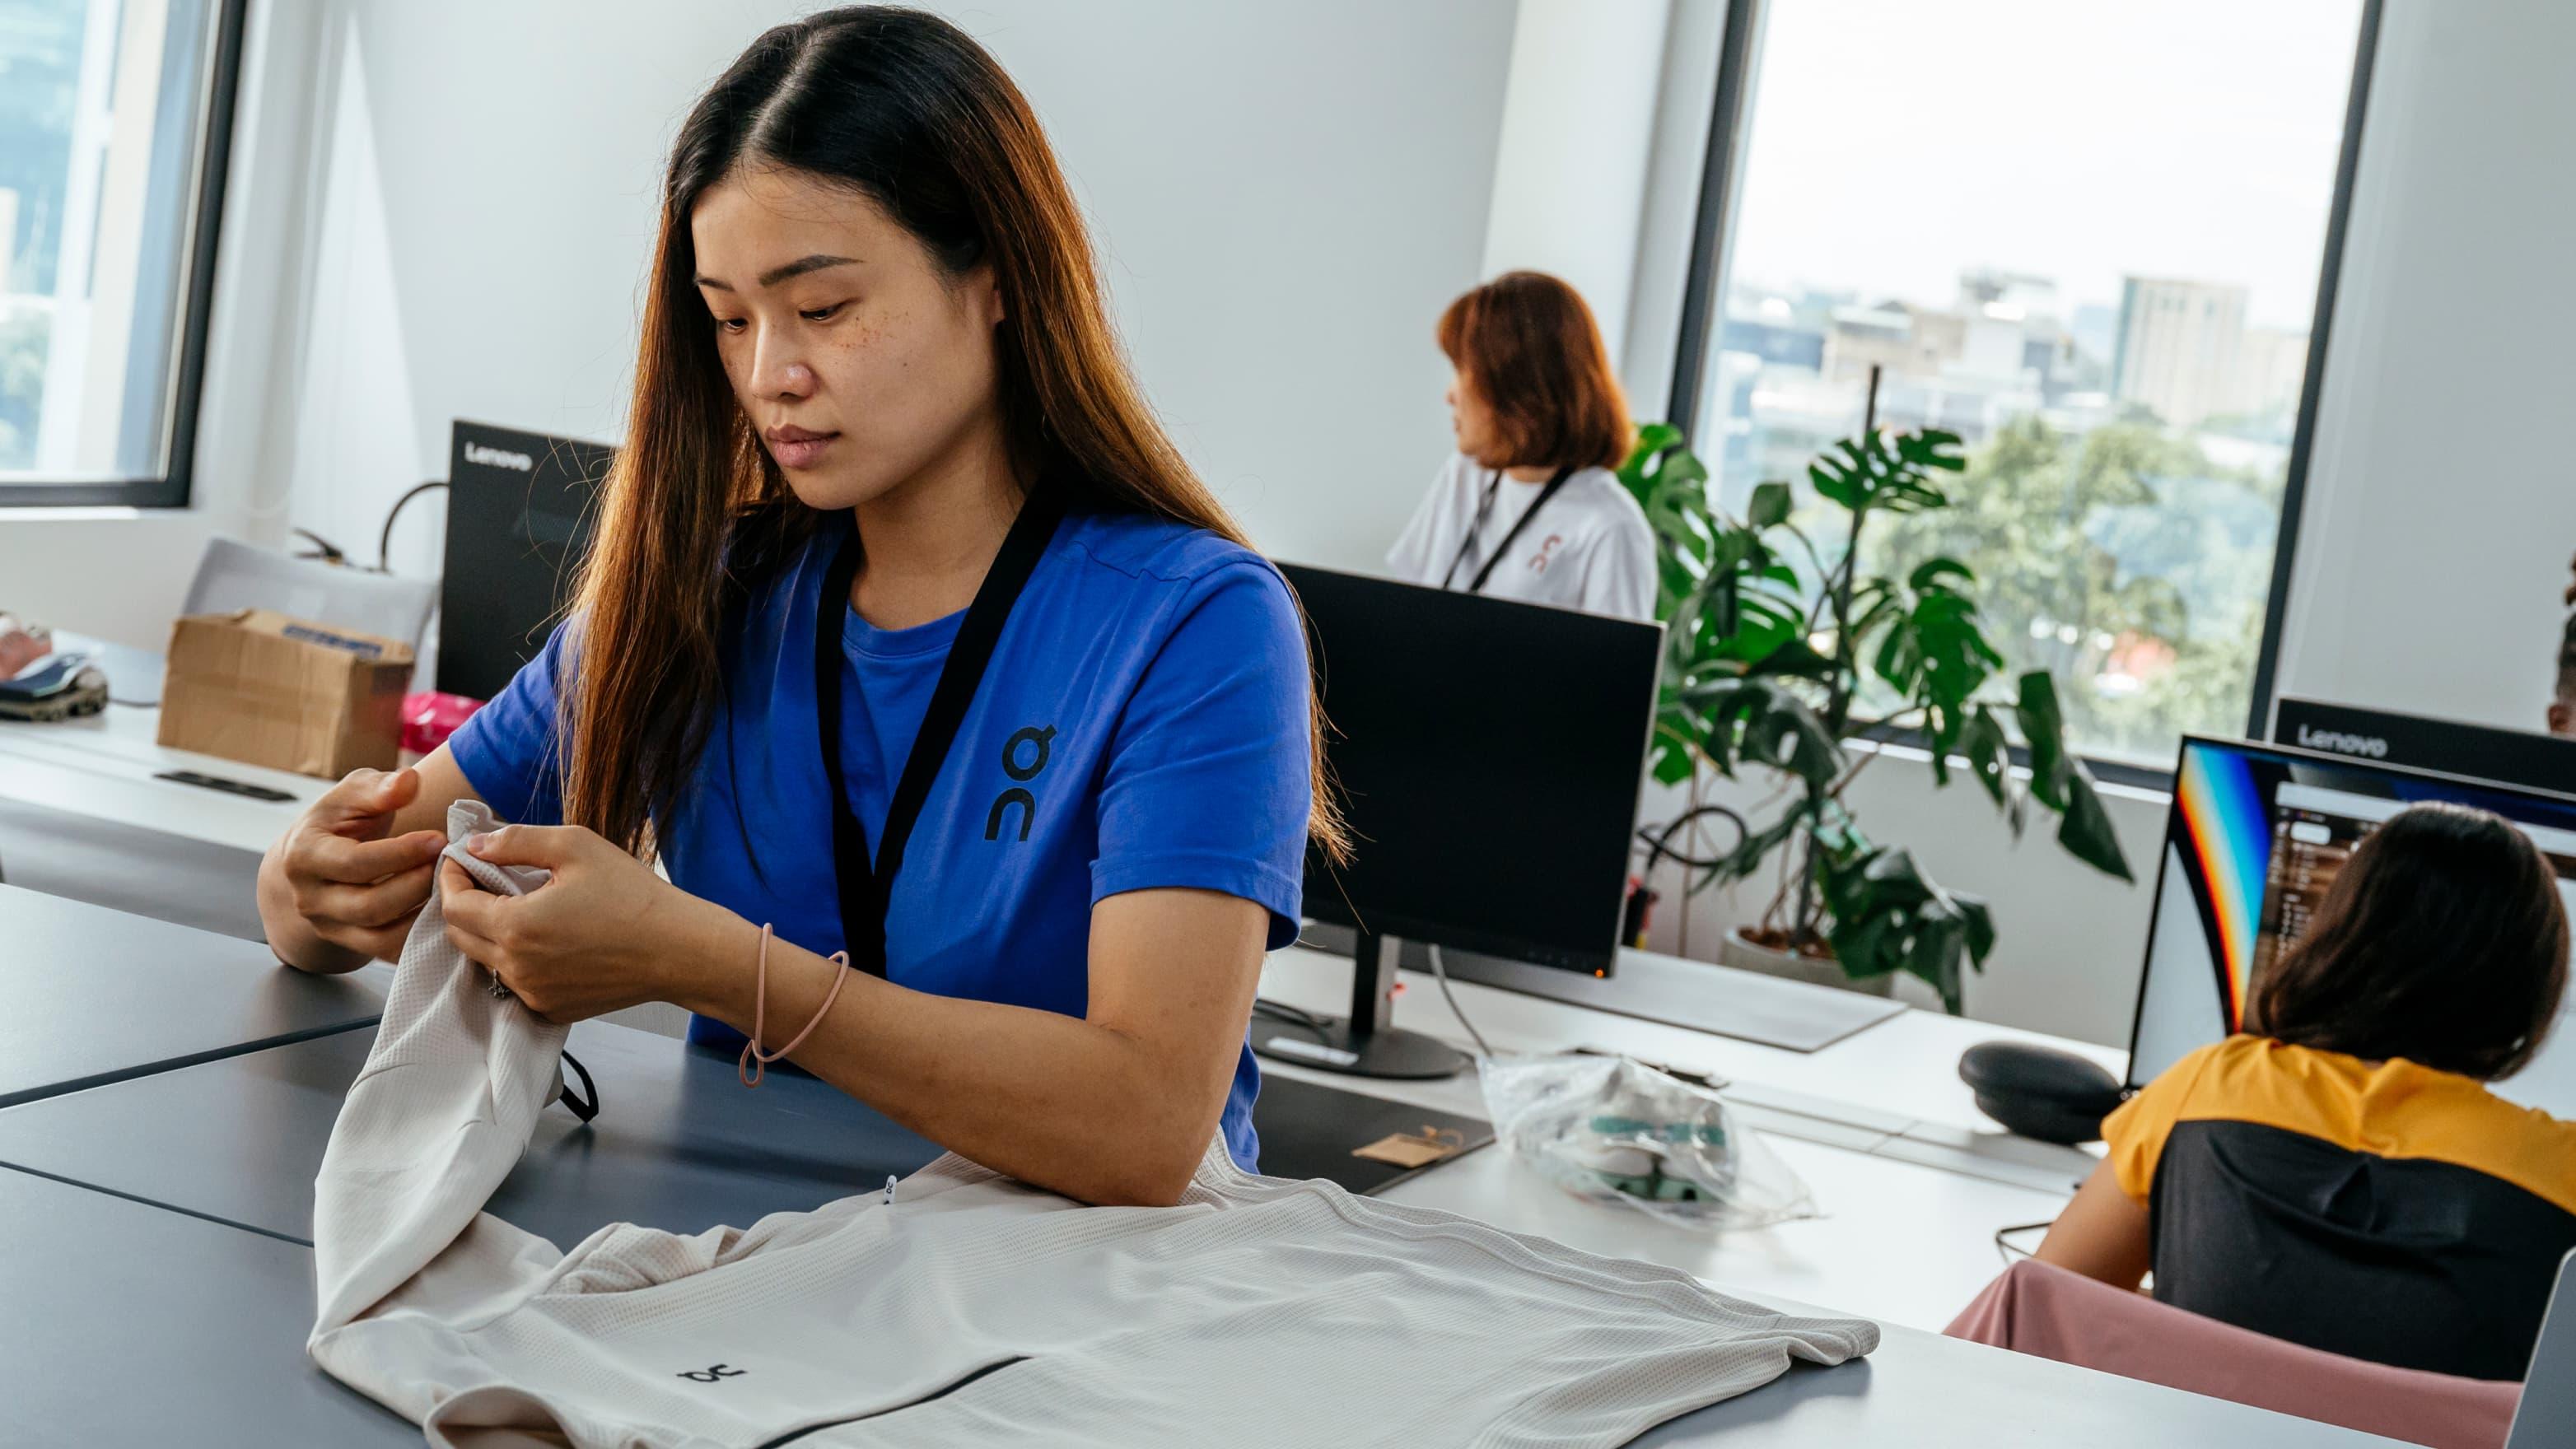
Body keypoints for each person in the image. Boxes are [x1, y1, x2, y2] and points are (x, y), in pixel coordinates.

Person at [254, 7, 1345, 1209]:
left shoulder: (1197, 624)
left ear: (992, 277)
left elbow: (1144, 1129)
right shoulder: (708, 591)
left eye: (821, 308)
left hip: (1081, 1327)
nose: (771, 370)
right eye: (729, 318)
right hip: (751, 1282)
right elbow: (378, 864)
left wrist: (697, 959)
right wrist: (307, 890)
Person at [2037, 802, 2576, 1380]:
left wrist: (2192, 1325)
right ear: (2529, 987)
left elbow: (2044, 1316)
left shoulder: (2210, 1087)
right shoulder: (2559, 1173)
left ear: (2337, 937)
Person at [1387, 271, 1656, 621]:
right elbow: (1405, 609)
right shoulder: (1467, 473)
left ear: (1517, 387)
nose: (1450, 395)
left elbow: (1617, 674)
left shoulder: (1611, 527)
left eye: (1462, 371)